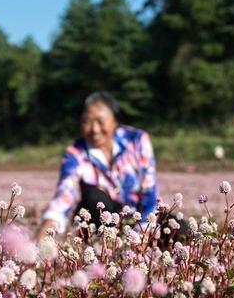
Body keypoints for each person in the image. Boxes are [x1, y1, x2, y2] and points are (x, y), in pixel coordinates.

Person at [37, 92, 158, 239]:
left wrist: (144, 231)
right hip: (100, 222)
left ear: (115, 121)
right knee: (95, 196)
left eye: (100, 121)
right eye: (87, 122)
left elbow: (149, 190)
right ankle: (109, 244)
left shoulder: (137, 140)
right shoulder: (75, 154)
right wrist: (45, 236)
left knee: (178, 228)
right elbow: (65, 195)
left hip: (139, 216)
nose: (94, 130)